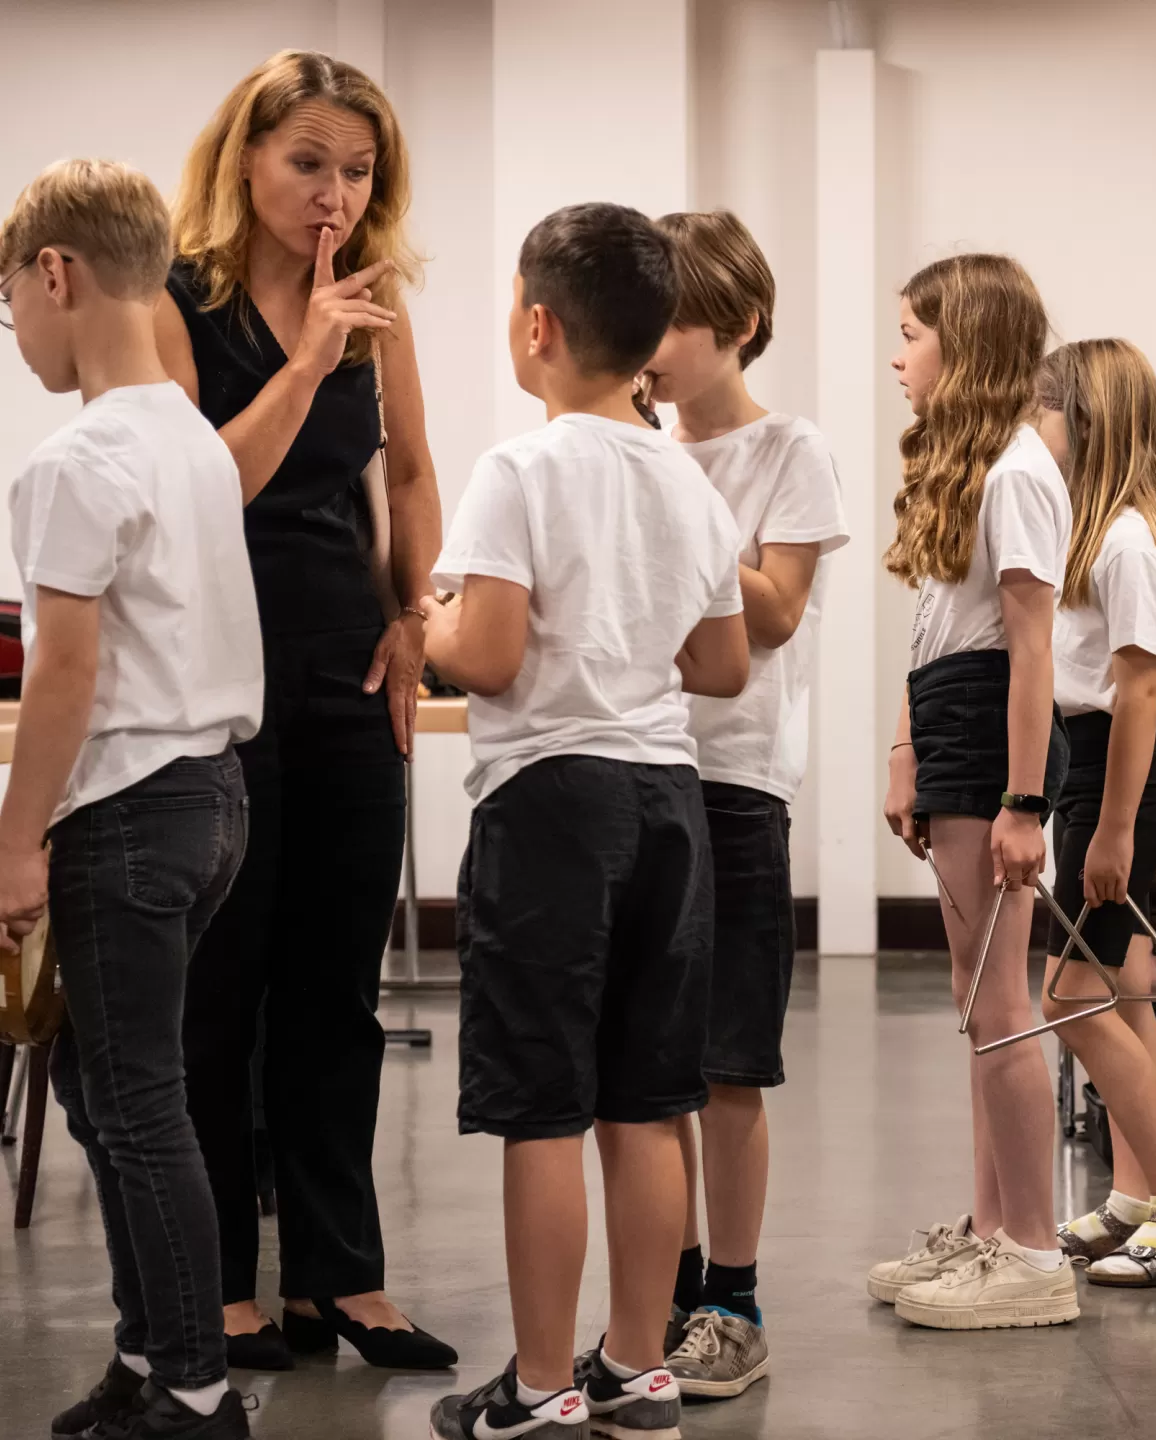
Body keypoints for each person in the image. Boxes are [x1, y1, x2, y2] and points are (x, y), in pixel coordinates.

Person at [420, 202, 748, 1439]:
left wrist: (438, 619)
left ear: (537, 323)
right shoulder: (688, 479)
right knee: (648, 1099)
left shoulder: (520, 467)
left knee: (543, 1107)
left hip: (551, 800)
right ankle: (638, 1365)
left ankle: (543, 1385)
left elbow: (492, 657)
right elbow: (719, 665)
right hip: (668, 801)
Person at [155, 49, 452, 1370]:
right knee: (223, 983)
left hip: (342, 663)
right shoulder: (177, 302)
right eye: (308, 163)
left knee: (337, 984)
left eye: (359, 169)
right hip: (212, 669)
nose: (335, 194)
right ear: (246, 160)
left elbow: (419, 473)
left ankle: (342, 1274)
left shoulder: (375, 303)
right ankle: (221, 1278)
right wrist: (312, 352)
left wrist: (410, 619)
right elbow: (204, 486)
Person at [0, 159, 261, 1440]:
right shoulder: (195, 447)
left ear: (56, 273)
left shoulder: (81, 456)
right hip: (212, 798)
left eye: (11, 307)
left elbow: (64, 678)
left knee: (137, 1098)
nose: (19, 335)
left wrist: (13, 846)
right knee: (109, 1093)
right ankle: (151, 1356)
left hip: (129, 810)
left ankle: (198, 1391)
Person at [645, 208, 849, 1396]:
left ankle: (734, 1295)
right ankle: (667, 1295)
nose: (653, 346)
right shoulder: (635, 444)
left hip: (738, 778)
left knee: (728, 1062)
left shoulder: (790, 451)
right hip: (645, 764)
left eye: (674, 319)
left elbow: (771, 612)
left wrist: (667, 485)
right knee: (652, 1063)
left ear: (739, 326)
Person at [868, 253, 1079, 1329]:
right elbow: (934, 631)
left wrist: (1025, 803)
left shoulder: (1018, 473)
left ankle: (1036, 1253)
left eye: (911, 333)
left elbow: (1031, 650)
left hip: (996, 728)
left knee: (1002, 1007)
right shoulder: (975, 468)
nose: (896, 355)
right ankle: (994, 1229)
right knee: (977, 1003)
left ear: (967, 342)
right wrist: (907, 749)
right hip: (956, 715)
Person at [1031, 338, 1156, 1285]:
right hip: (1091, 778)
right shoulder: (1091, 531)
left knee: (1066, 999)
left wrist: (1110, 829)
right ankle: (1135, 1196)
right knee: (1120, 993)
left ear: (1089, 421)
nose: (1034, 427)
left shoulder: (1126, 540)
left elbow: (1140, 696)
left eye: (1045, 408)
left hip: (1119, 788)